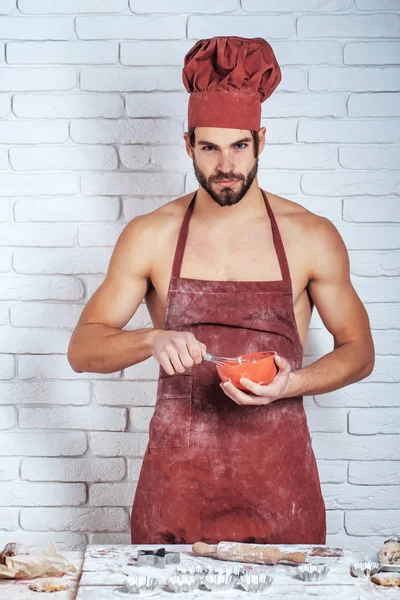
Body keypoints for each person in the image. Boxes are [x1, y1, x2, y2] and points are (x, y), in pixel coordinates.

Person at [68, 36, 375, 545]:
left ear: (261, 140)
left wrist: (291, 384)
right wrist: (152, 339)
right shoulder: (151, 236)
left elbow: (360, 352)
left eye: (239, 145)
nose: (225, 164)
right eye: (209, 147)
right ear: (188, 144)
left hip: (281, 492)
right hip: (175, 490)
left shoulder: (310, 236)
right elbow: (82, 349)